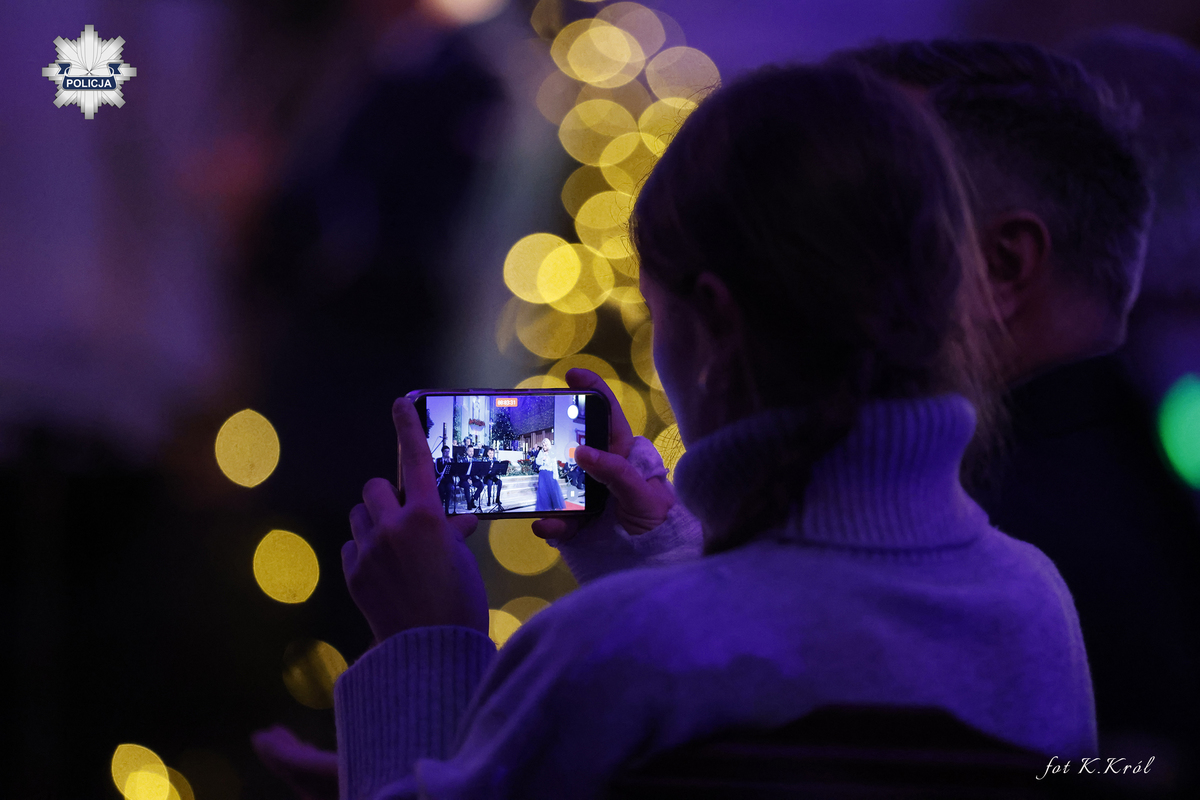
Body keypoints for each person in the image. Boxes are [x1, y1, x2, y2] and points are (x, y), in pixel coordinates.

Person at [334, 63, 1094, 799]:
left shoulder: (605, 650)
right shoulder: (1035, 604)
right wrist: (654, 557)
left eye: (657, 313)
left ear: (718, 324)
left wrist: (421, 646)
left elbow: (697, 652)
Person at [847, 39, 1200, 787]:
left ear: (1002, 265)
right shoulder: (1127, 483)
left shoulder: (980, 547)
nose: (783, 258)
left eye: (849, 211)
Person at [533, 438, 564, 512]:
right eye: (543, 445)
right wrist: (542, 459)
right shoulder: (541, 452)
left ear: (548, 445)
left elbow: (554, 465)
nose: (544, 447)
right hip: (542, 474)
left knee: (552, 490)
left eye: (545, 445)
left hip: (550, 473)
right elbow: (537, 461)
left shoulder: (552, 453)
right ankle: (544, 507)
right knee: (543, 491)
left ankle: (553, 506)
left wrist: (556, 475)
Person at [435, 445, 455, 514]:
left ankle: (447, 509)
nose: (447, 453)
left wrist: (450, 463)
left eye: (448, 451)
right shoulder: (438, 460)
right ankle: (440, 509)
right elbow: (437, 471)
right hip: (441, 481)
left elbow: (453, 472)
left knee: (449, 489)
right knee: (441, 490)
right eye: (445, 451)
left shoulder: (451, 460)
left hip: (449, 480)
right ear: (442, 452)